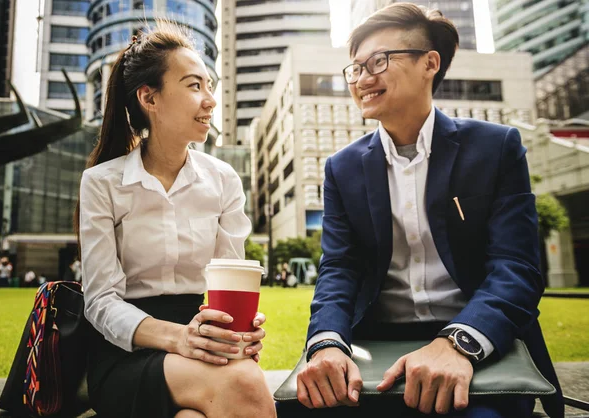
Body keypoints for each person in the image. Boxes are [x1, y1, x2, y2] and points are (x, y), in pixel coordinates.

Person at [284, 4, 564, 418]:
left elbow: (516, 268)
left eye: (378, 61)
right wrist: (325, 342)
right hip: (374, 344)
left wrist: (458, 344)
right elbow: (339, 268)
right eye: (355, 68)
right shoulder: (341, 168)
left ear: (429, 63)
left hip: (477, 338)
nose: (362, 78)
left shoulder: (495, 147)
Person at [74, 21, 276, 418]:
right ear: (150, 97)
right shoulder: (101, 183)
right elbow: (99, 301)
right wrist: (178, 339)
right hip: (124, 353)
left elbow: (229, 280)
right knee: (246, 382)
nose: (210, 100)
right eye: (194, 85)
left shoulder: (223, 181)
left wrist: (240, 329)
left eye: (209, 85)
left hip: (200, 343)